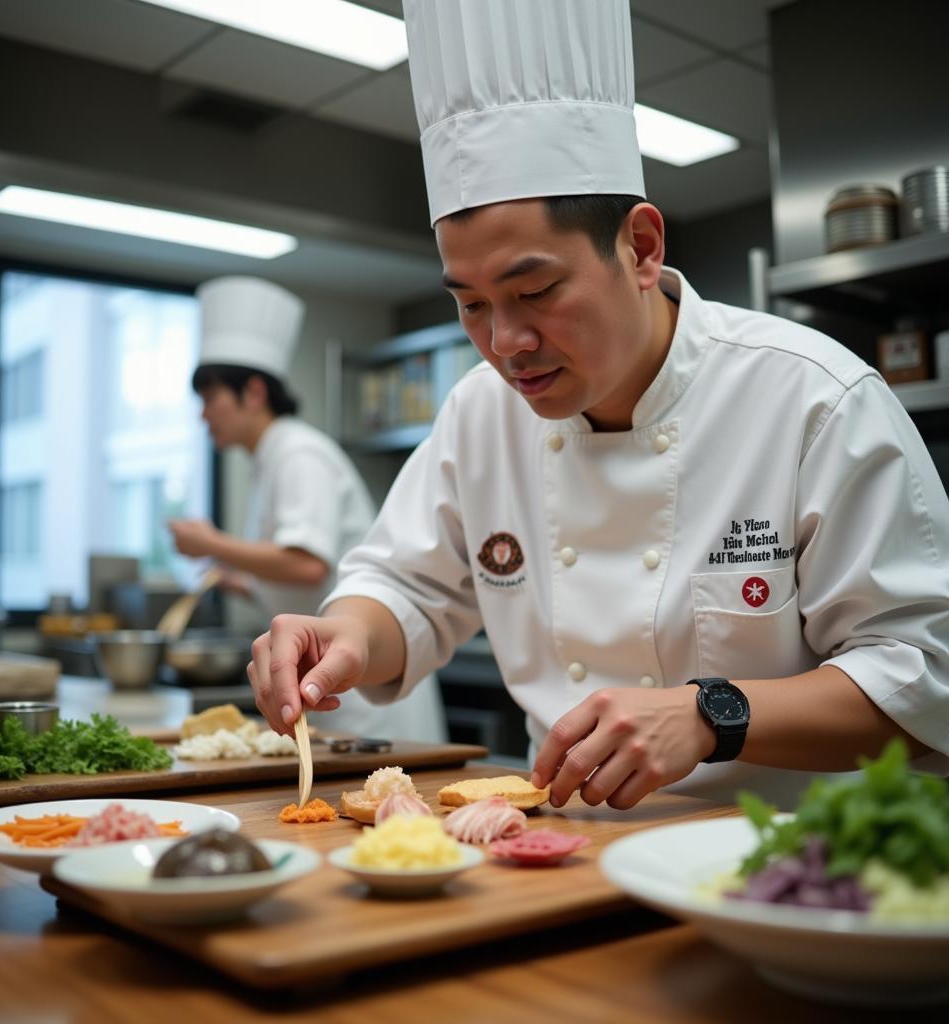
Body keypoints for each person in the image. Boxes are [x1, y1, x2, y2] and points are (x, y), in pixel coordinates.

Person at [248, 0, 949, 809]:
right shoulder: (482, 413)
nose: (504, 342)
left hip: (790, 869)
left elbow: (924, 674)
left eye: (534, 290)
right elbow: (406, 588)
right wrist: (344, 635)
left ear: (642, 249)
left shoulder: (812, 399)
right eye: (471, 304)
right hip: (563, 849)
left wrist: (710, 713)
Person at [168, 275, 447, 743]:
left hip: (363, 694)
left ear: (253, 393)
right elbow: (295, 571)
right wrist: (242, 580)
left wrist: (211, 543)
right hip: (327, 687)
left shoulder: (298, 453)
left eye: (211, 398)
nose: (203, 415)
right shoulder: (270, 459)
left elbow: (307, 565)